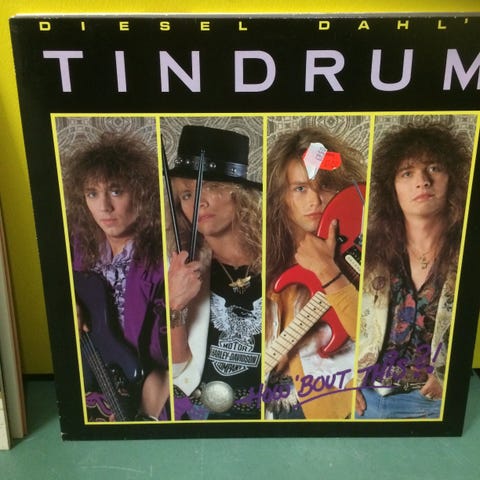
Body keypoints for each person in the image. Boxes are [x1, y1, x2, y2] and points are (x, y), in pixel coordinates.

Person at [356, 123, 471, 419]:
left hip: (432, 405)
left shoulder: (468, 252)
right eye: (407, 173)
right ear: (392, 188)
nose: (422, 181)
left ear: (452, 179)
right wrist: (346, 380)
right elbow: (339, 322)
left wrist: (450, 374)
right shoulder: (368, 253)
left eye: (434, 168)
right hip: (364, 401)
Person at [63, 132, 169, 422]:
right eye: (92, 194)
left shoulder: (163, 256)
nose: (104, 208)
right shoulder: (74, 244)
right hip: (89, 372)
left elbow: (167, 352)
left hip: (146, 380)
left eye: (116, 191)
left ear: (142, 193)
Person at [266, 126, 366, 419]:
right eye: (300, 188)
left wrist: (370, 378)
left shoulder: (366, 252)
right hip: (275, 406)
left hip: (337, 406)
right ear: (282, 198)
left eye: (325, 186)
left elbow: (380, 335)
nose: (315, 200)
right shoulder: (268, 258)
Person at [165, 125, 263, 420]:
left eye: (211, 187)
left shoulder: (278, 260)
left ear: (240, 195)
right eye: (186, 194)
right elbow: (177, 370)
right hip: (201, 412)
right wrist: (175, 305)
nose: (199, 202)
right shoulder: (180, 269)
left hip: (266, 411)